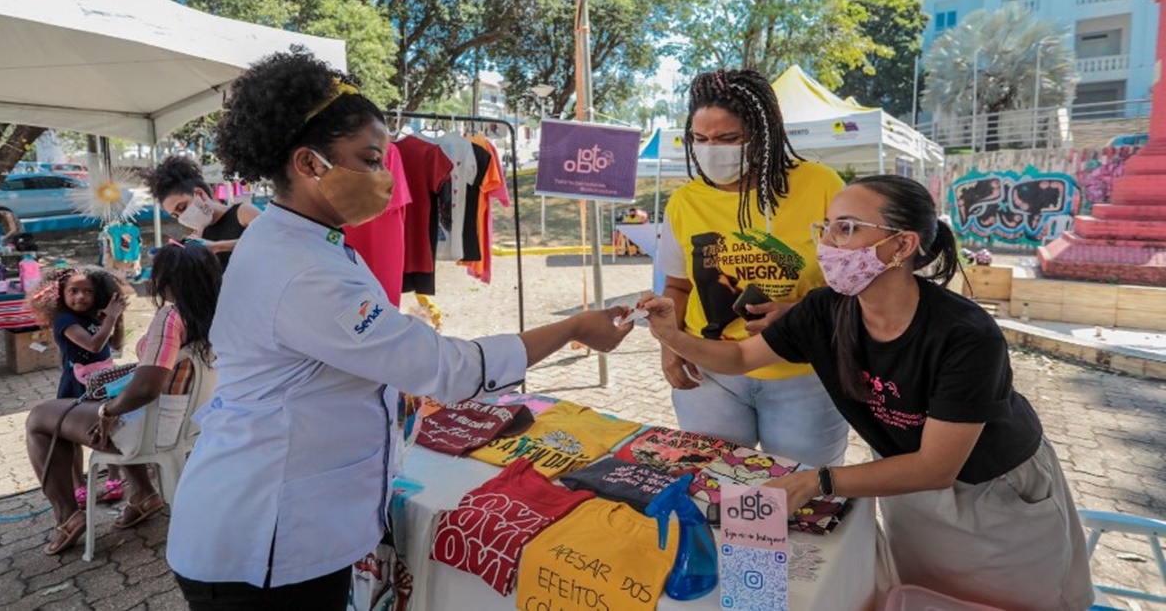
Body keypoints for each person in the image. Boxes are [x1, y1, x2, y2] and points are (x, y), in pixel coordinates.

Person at [164, 49, 633, 609]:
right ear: (310, 164)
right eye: (370, 159)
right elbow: (446, 369)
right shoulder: (303, 268)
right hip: (262, 541)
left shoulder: (306, 239)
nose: (387, 178)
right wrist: (574, 326)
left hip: (284, 523)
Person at [643, 175, 1093, 609]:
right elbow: (740, 359)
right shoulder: (826, 310)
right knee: (918, 593)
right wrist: (672, 336)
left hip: (994, 494)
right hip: (905, 482)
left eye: (847, 229)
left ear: (901, 244)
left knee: (1007, 602)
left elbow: (937, 466)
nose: (828, 245)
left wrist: (818, 481)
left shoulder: (966, 335)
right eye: (826, 228)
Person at [655, 68, 848, 467]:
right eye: (700, 139)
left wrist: (802, 314)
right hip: (710, 375)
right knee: (715, 484)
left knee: (806, 492)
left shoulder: (822, 185)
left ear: (764, 134)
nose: (712, 150)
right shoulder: (684, 202)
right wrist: (671, 347)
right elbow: (676, 287)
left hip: (804, 375)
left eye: (728, 139)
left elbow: (858, 284)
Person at [25, 243, 222, 555]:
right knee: (97, 404)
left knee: (39, 418)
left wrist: (107, 411)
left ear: (169, 281)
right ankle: (144, 494)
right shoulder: (219, 314)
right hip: (188, 424)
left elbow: (146, 387)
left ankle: (67, 515)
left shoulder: (171, 317)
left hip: (152, 429)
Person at [26, 266, 129, 511]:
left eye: (88, 292)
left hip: (104, 381)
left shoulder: (95, 315)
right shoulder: (64, 320)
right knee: (70, 437)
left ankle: (114, 480)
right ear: (61, 294)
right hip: (77, 384)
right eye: (73, 291)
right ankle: (79, 485)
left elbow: (116, 344)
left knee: (107, 428)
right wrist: (111, 318)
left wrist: (118, 318)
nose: (80, 297)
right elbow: (93, 345)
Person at [142, 154, 261, 270]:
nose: (182, 217)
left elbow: (273, 240)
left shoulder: (243, 213)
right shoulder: (199, 235)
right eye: (176, 216)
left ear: (200, 194)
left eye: (182, 207)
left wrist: (217, 246)